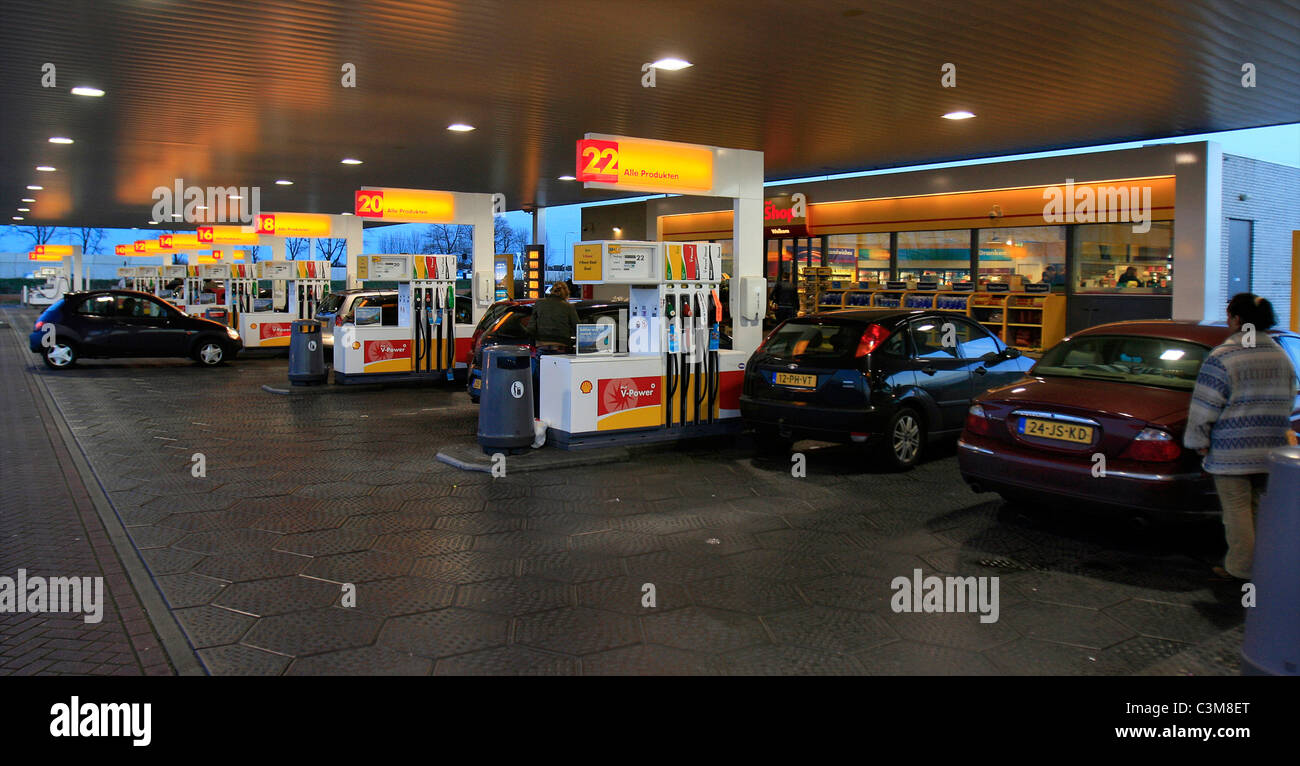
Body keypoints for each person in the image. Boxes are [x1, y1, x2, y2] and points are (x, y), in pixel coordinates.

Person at [1185, 293, 1296, 581]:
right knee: (1258, 509)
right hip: (1270, 448)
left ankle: (1240, 569)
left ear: (1236, 319)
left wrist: (1199, 442)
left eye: (1229, 315)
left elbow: (1204, 406)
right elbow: (1288, 400)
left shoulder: (1224, 357)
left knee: (1236, 512)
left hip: (1231, 451)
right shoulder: (1280, 356)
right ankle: (1262, 566)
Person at [529, 281, 579, 353]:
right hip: (561, 346)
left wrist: (533, 344)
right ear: (566, 293)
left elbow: (531, 326)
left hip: (542, 345)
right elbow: (576, 326)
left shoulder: (539, 303)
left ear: (551, 291)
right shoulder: (568, 306)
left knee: (542, 363)